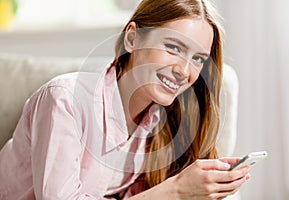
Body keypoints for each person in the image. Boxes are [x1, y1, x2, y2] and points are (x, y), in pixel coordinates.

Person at [0, 0, 250, 199]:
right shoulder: (65, 100)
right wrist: (175, 191)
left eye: (197, 58)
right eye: (173, 47)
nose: (184, 71)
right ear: (132, 39)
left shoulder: (161, 120)